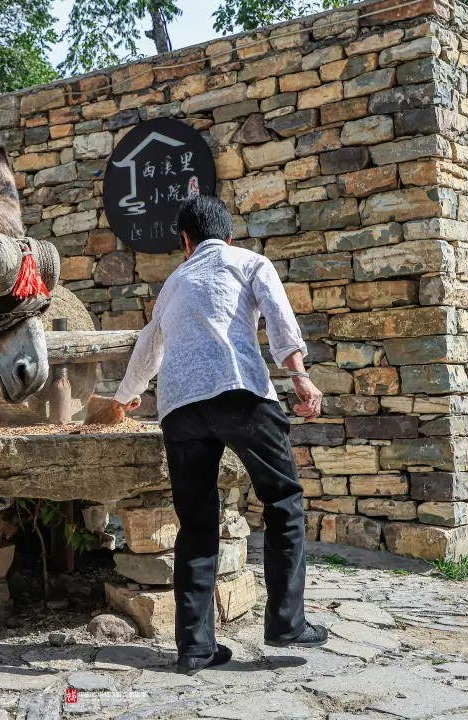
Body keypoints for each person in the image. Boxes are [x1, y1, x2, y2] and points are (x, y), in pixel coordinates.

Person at [110, 194, 327, 675]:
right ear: (227, 235)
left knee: (197, 524)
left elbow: (149, 342)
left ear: (185, 242)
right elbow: (277, 316)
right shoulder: (248, 261)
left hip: (180, 409)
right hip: (239, 392)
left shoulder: (173, 282)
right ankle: (287, 621)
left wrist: (127, 395)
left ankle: (195, 648)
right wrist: (299, 377)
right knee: (283, 500)